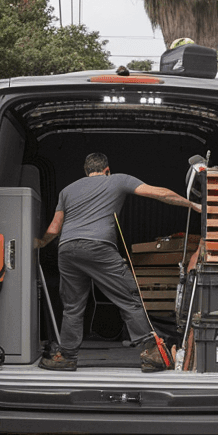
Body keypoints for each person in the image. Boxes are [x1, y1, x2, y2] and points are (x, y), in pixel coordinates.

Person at [34, 152, 201, 372]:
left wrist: (39, 243)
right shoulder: (118, 179)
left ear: (86, 171)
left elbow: (54, 229)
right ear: (106, 170)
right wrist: (193, 205)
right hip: (98, 247)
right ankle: (152, 353)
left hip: (66, 250)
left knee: (72, 307)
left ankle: (66, 356)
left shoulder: (67, 190)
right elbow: (159, 193)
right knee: (128, 297)